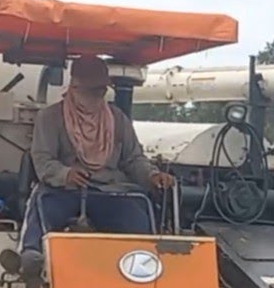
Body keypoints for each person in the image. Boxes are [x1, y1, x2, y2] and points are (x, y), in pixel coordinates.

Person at [20, 55, 175, 254]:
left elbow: (133, 159)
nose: (99, 95)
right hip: (66, 191)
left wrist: (152, 175)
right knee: (43, 207)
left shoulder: (118, 119)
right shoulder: (49, 117)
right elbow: (42, 159)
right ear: (75, 87)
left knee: (137, 217)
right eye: (93, 90)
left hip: (111, 191)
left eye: (102, 90)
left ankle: (146, 265)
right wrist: (65, 174)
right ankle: (31, 256)